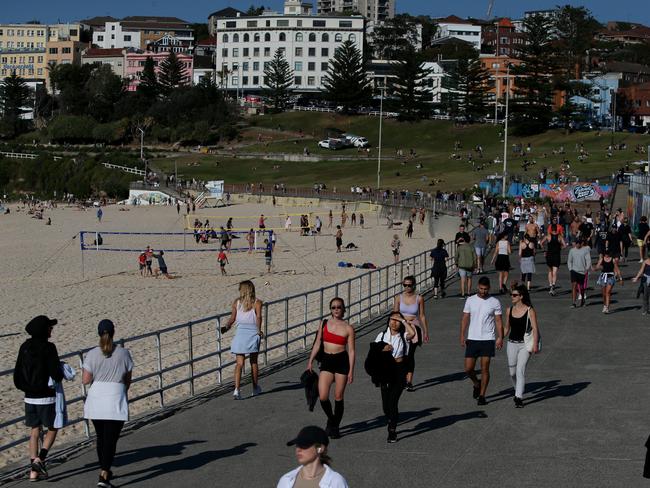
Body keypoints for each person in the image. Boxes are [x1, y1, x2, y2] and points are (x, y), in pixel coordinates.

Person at [82, 320, 133, 488]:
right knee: (111, 439)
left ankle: (104, 470)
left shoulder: (91, 354)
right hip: (115, 396)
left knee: (101, 437)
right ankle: (104, 475)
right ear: (114, 332)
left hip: (97, 397)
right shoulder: (124, 353)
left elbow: (85, 380)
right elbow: (127, 379)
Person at [13, 315, 64, 482]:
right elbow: (56, 374)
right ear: (43, 330)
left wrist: (27, 388)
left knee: (34, 432)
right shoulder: (49, 348)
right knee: (53, 427)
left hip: (29, 397)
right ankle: (40, 460)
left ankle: (33, 473)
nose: (51, 330)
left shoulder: (25, 346)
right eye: (49, 328)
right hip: (46, 397)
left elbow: (17, 374)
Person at [307, 298, 355, 439]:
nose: (336, 309)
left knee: (338, 396)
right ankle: (332, 419)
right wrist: (310, 361)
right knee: (323, 396)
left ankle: (335, 427)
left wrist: (351, 370)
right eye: (333, 307)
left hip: (341, 361)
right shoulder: (324, 323)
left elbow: (351, 351)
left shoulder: (348, 328)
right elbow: (317, 343)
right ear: (330, 309)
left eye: (339, 307)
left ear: (343, 309)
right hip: (327, 360)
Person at [460, 277, 504, 406]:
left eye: (485, 289)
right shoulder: (470, 300)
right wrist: (462, 335)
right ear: (477, 287)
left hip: (487, 339)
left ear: (489, 288)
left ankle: (482, 396)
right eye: (481, 289)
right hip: (472, 338)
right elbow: (465, 318)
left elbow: (498, 321)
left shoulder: (494, 302)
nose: (483, 291)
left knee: (485, 368)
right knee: (468, 369)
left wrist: (500, 337)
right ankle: (476, 383)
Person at [375, 312, 416, 442]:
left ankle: (392, 430)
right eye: (392, 319)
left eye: (397, 320)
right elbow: (374, 350)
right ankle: (391, 418)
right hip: (385, 371)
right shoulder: (382, 335)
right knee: (386, 406)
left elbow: (413, 334)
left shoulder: (404, 336)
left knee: (393, 402)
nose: (394, 322)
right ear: (388, 321)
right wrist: (382, 349)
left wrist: (404, 321)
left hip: (399, 370)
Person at [223, 281, 264, 399]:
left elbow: (232, 318)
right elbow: (259, 317)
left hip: (240, 335)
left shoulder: (237, 302)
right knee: (254, 362)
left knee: (239, 363)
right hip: (252, 334)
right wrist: (259, 330)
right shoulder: (257, 303)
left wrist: (226, 327)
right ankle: (255, 388)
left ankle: (236, 389)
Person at [504, 284, 540, 408]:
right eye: (511, 295)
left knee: (520, 370)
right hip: (511, 344)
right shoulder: (509, 310)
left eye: (514, 295)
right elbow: (506, 328)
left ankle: (519, 397)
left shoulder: (530, 310)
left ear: (521, 296)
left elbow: (535, 329)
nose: (512, 297)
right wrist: (499, 338)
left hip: (525, 345)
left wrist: (535, 344)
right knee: (512, 373)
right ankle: (517, 391)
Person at [278, 426, 349, 488]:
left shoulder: (336, 482)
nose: (298, 449)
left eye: (304, 445)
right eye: (297, 445)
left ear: (320, 448)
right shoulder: (285, 480)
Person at [393, 276, 429, 391]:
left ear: (414, 285)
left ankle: (409, 381)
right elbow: (394, 314)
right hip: (401, 327)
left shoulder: (419, 298)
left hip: (414, 327)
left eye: (409, 285)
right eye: (405, 285)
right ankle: (401, 378)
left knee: (410, 355)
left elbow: (422, 316)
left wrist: (425, 331)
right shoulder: (398, 298)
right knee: (400, 353)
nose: (407, 287)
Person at [541, 224, 565, 295]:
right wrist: (559, 248)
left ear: (551, 229)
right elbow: (565, 245)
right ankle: (553, 285)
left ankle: (550, 285)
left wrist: (545, 250)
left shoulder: (548, 236)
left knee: (550, 271)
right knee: (555, 272)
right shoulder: (560, 237)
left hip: (549, 255)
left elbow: (541, 243)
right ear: (556, 230)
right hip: (556, 255)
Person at [568, 239, 592, 308]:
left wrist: (586, 269)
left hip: (582, 271)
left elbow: (588, 260)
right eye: (577, 243)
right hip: (574, 271)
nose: (578, 245)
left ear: (581, 244)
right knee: (574, 286)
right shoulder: (572, 251)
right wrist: (570, 269)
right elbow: (569, 261)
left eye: (579, 243)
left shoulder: (585, 251)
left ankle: (582, 300)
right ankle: (573, 303)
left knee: (581, 288)